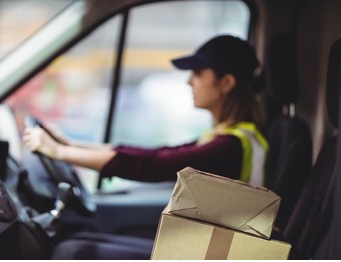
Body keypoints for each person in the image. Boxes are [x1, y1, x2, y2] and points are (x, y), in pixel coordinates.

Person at [23, 35, 268, 187]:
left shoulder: (230, 146)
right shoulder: (231, 137)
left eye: (197, 74)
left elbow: (153, 164)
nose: (188, 82)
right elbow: (158, 153)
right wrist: (71, 144)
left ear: (226, 83)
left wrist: (59, 152)